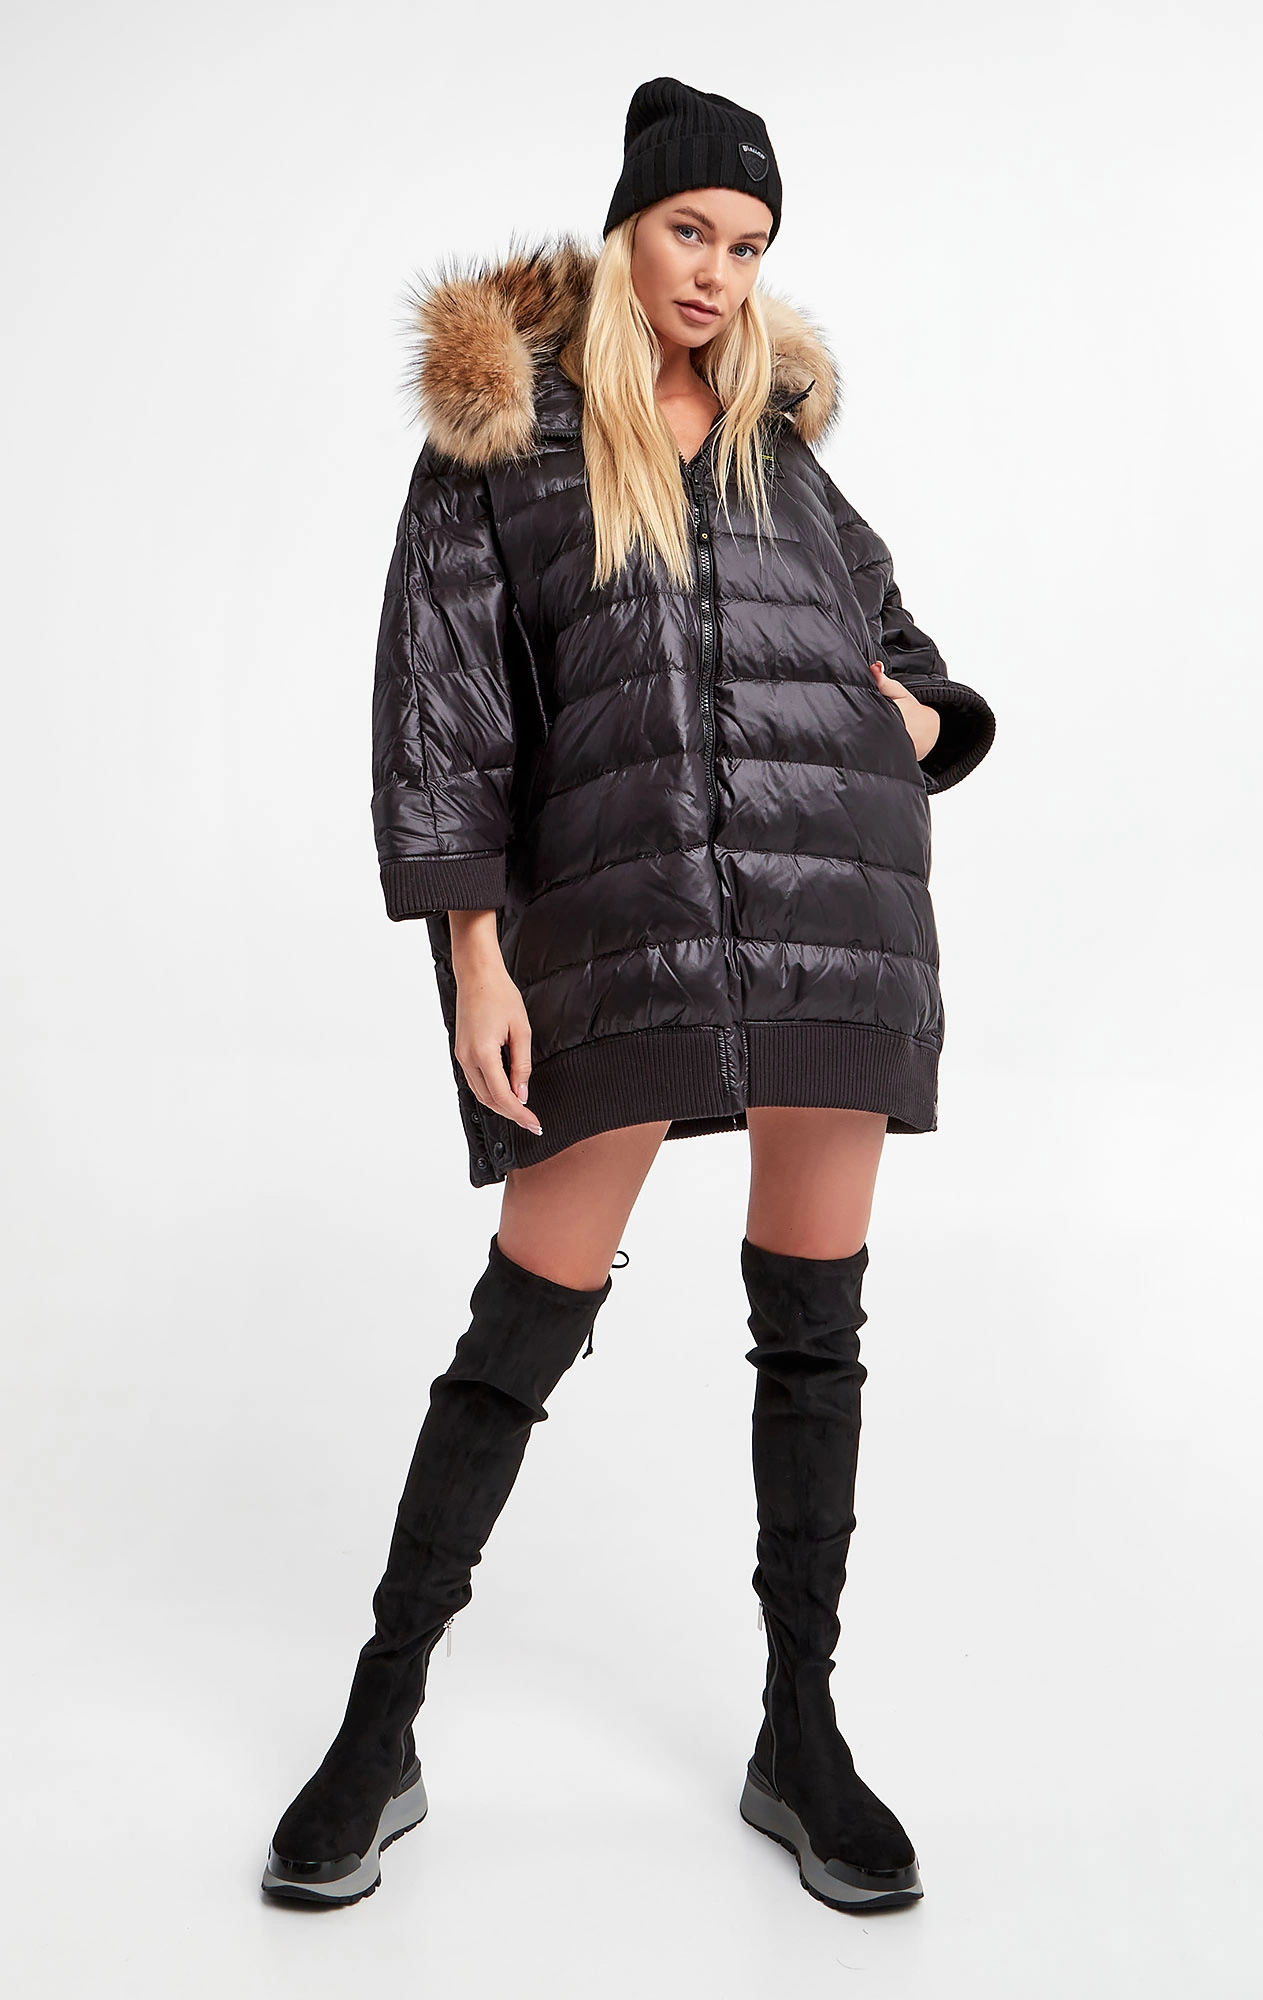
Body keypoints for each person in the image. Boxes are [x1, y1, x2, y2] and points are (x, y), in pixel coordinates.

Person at [262, 75, 995, 1915]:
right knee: (525, 1319)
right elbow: (441, 719)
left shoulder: (775, 447)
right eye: (690, 231)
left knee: (814, 1328)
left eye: (750, 245)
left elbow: (892, 641)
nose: (717, 274)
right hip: (622, 926)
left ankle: (802, 1735)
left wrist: (919, 717)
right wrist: (474, 956)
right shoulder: (504, 446)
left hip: (834, 917)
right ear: (626, 226)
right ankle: (377, 1722)